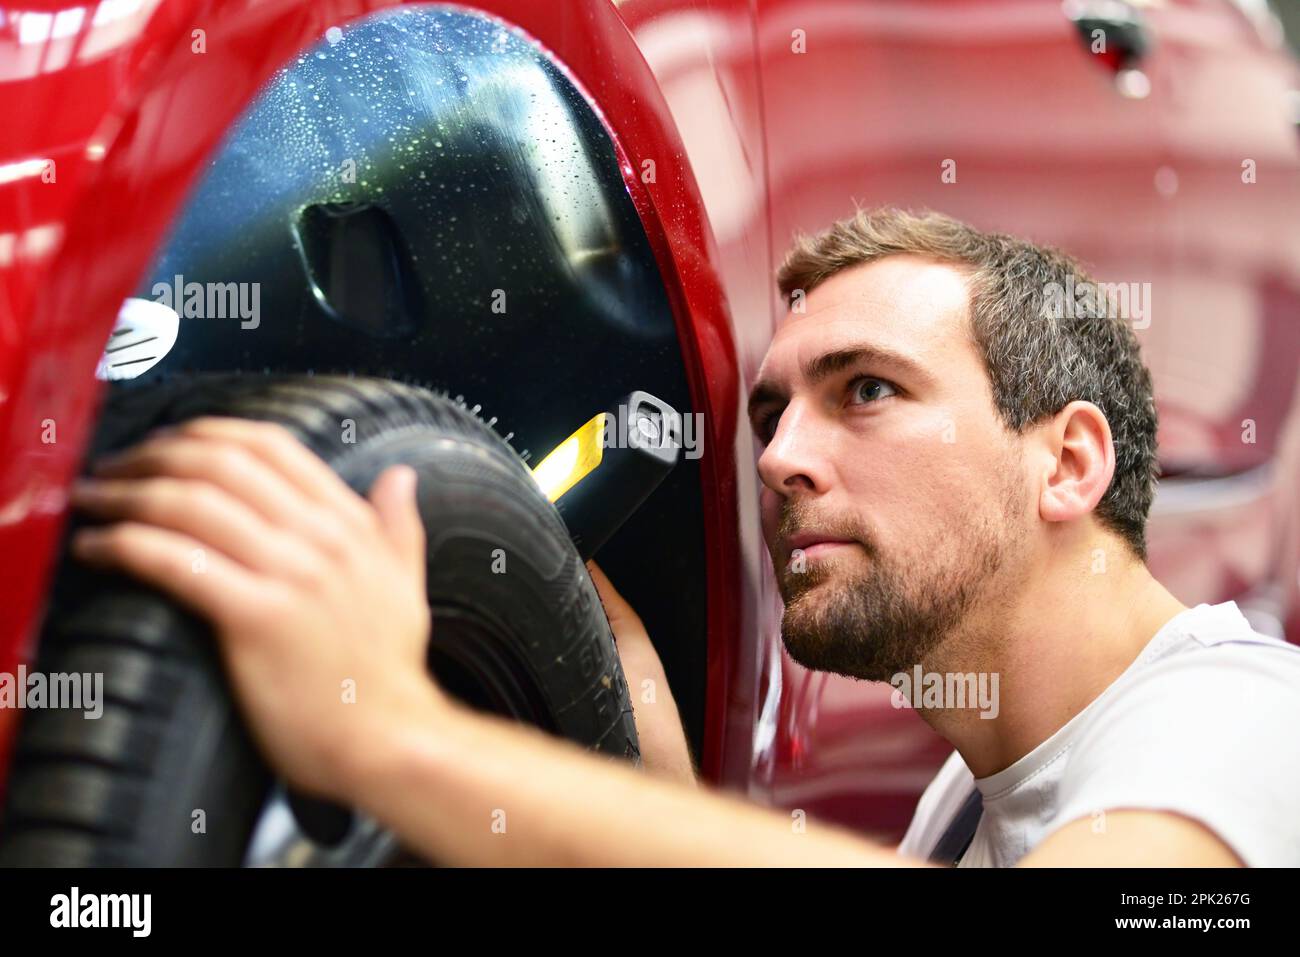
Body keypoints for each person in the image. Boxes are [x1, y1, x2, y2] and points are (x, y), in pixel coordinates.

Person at [68, 208, 1300, 866]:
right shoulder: (973, 802)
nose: (777, 459)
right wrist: (648, 755)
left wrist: (391, 739)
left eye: (867, 389)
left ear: (1068, 461)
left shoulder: (1245, 721)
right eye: (771, 413)